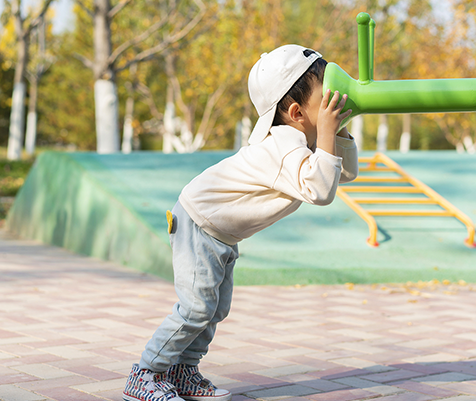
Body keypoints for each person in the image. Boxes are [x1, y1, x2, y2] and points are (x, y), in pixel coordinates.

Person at [123, 44, 359, 401]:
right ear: (296, 113)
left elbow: (345, 173)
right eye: (324, 97)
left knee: (215, 309)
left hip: (220, 233)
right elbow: (321, 190)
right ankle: (145, 374)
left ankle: (183, 371)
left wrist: (336, 132)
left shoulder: (300, 139)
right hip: (198, 223)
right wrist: (328, 134)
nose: (333, 101)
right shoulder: (281, 146)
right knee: (196, 308)